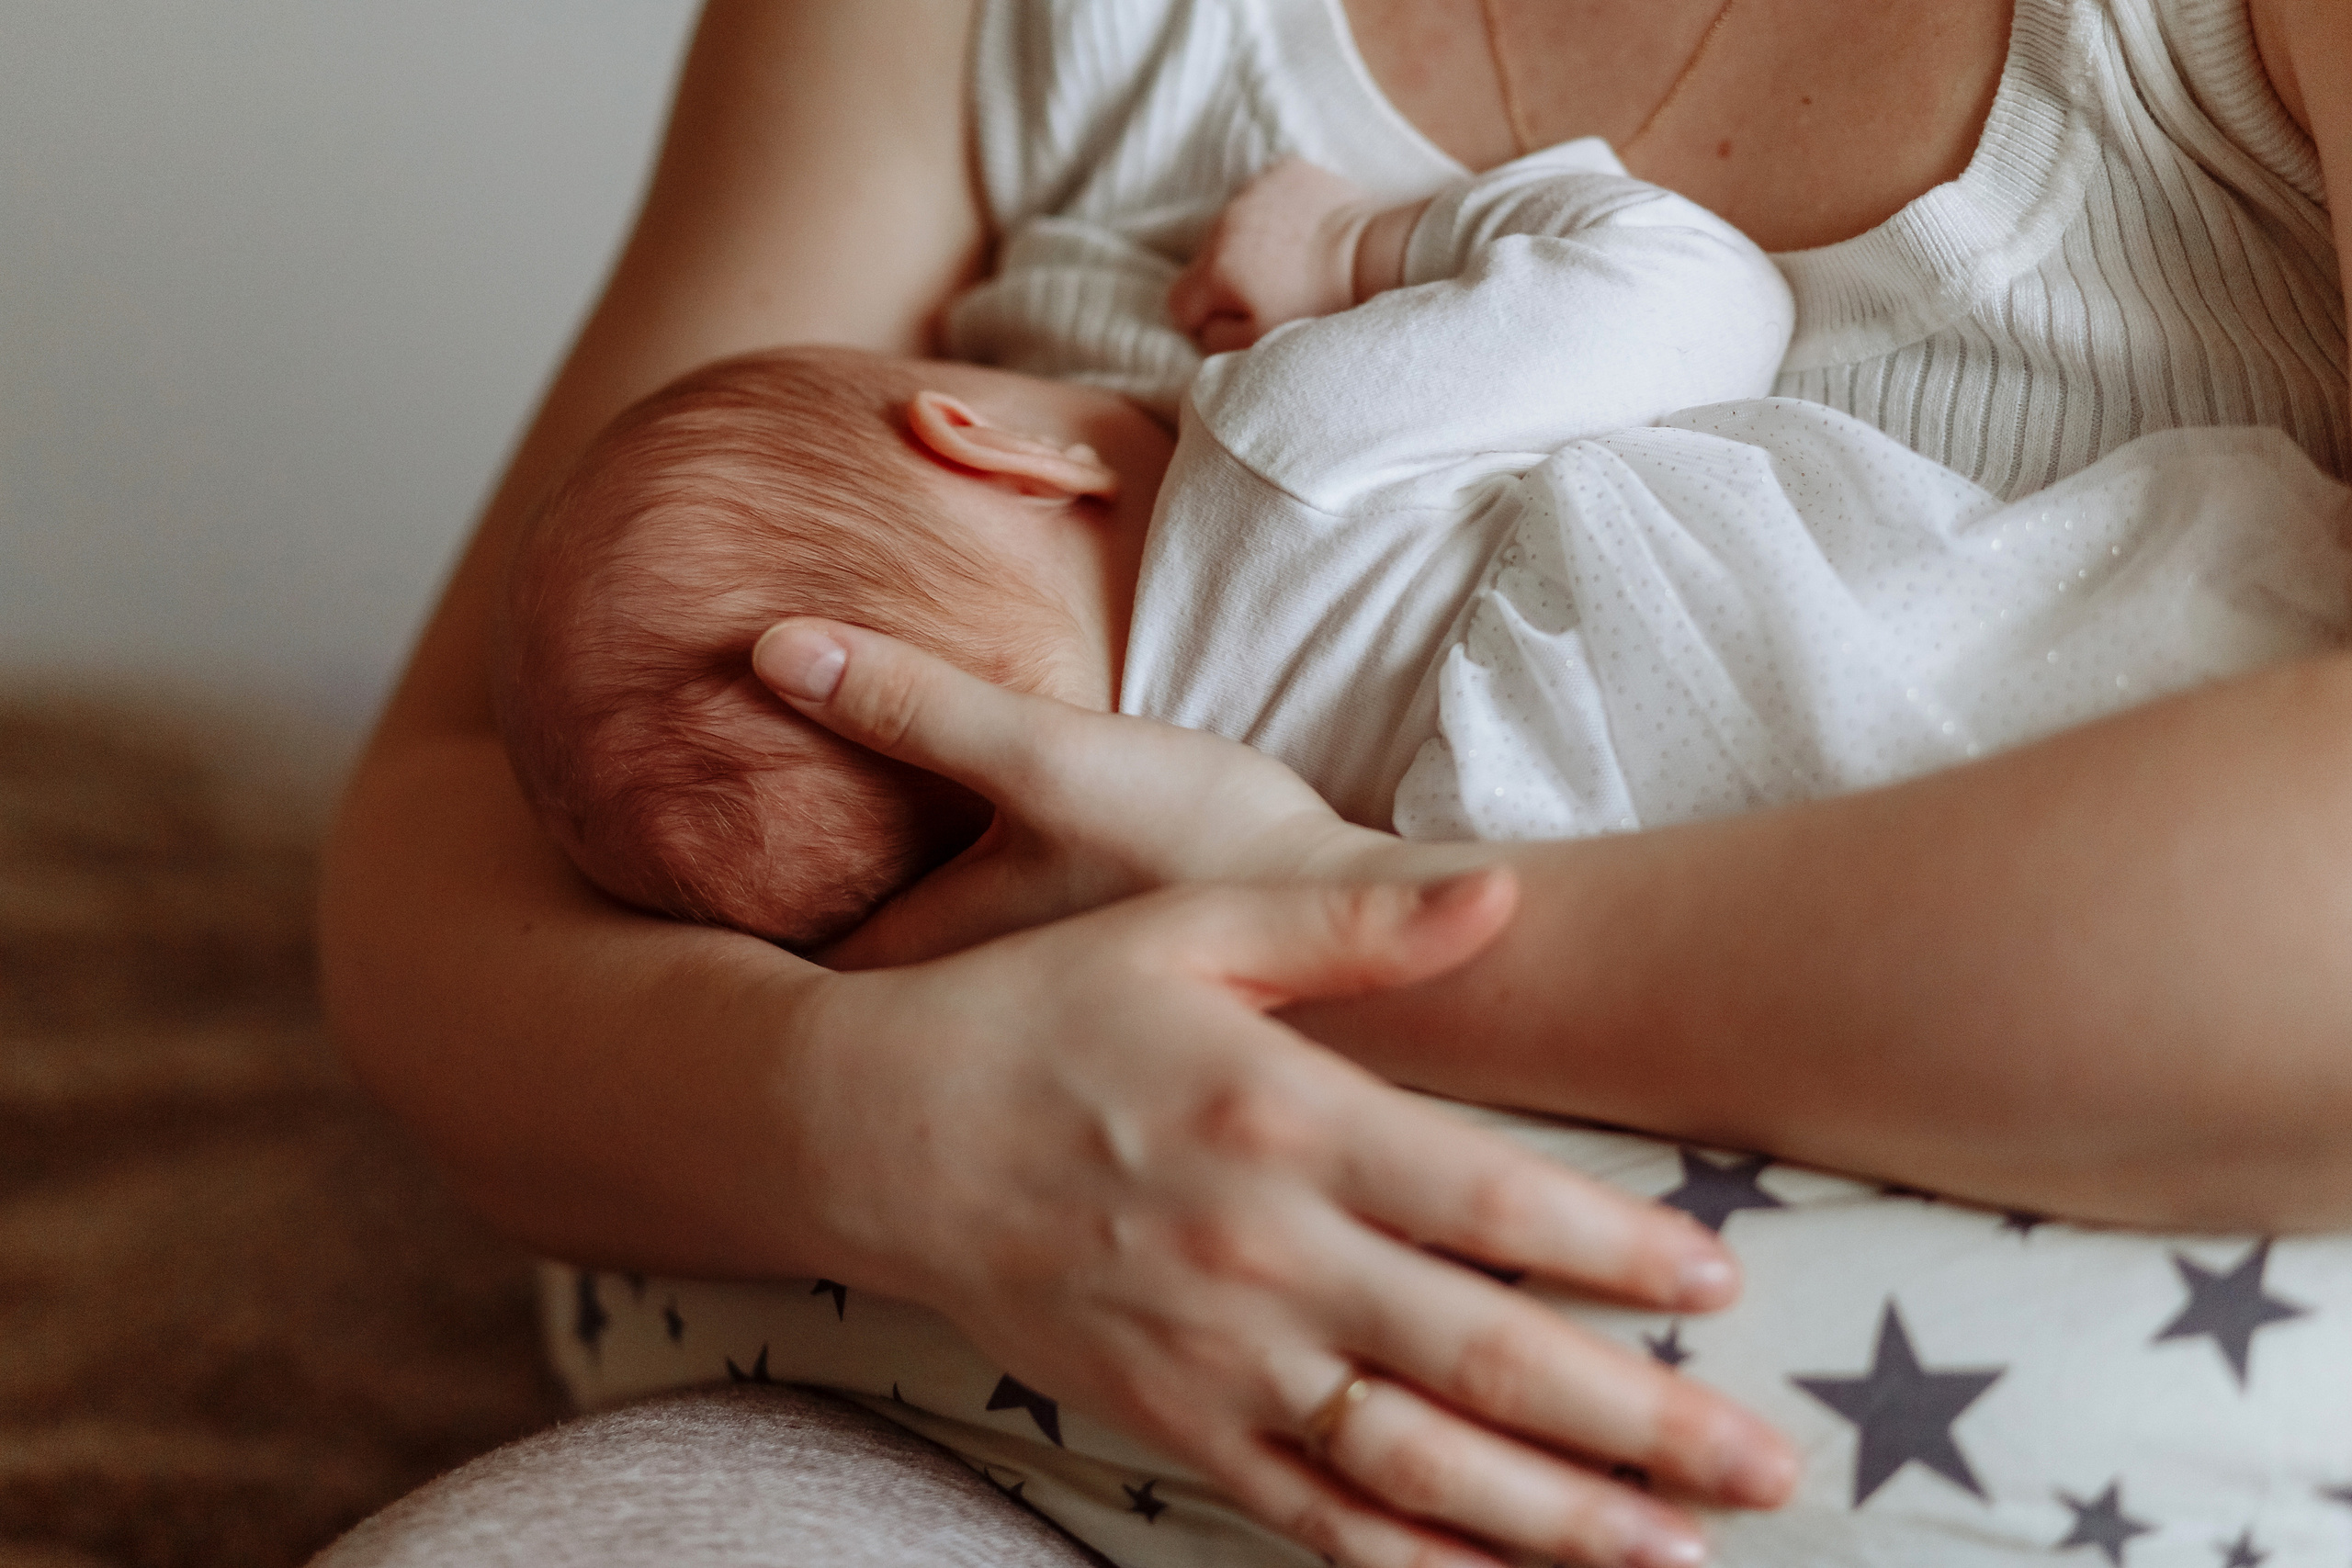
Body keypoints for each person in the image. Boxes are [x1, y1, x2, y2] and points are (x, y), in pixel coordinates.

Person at [316, 2, 2352, 1564]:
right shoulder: (1259, 391)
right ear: (1002, 441)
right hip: (997, 1425)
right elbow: (443, 861)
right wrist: (902, 1116)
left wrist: (1316, 928)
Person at [501, 141, 2347, 961]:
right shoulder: (1279, 444)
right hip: (2051, 705)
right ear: (976, 426)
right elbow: (1693, 301)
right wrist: (1363, 252)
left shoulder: (1172, 870)